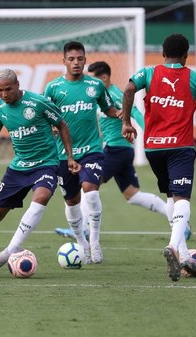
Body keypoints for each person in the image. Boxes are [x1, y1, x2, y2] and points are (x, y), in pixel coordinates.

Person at [0, 69, 80, 275]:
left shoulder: (38, 103)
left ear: (18, 85)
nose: (4, 94)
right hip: (18, 168)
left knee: (42, 196)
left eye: (8, 89)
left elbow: (62, 125)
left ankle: (10, 250)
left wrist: (70, 157)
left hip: (45, 163)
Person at [122, 33, 196, 281]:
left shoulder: (149, 72)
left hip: (154, 148)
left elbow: (128, 88)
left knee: (170, 194)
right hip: (180, 147)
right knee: (182, 197)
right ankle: (174, 248)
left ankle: (185, 255)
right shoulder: (193, 77)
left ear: (162, 52)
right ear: (187, 55)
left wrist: (126, 122)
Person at [54, 61, 184, 239]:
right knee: (133, 195)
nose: (88, 82)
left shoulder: (114, 95)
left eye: (93, 78)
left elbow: (136, 113)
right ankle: (179, 222)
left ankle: (83, 227)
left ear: (104, 78)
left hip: (115, 150)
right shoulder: (95, 96)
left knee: (88, 184)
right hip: (122, 151)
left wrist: (151, 135)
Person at [43, 41, 120, 264]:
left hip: (92, 150)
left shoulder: (96, 86)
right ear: (64, 61)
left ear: (85, 60)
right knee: (72, 201)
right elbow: (44, 117)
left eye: (80, 59)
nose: (76, 63)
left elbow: (110, 110)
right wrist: (51, 126)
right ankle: (82, 243)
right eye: (71, 59)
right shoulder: (53, 88)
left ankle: (95, 240)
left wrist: (124, 115)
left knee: (91, 191)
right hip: (63, 154)